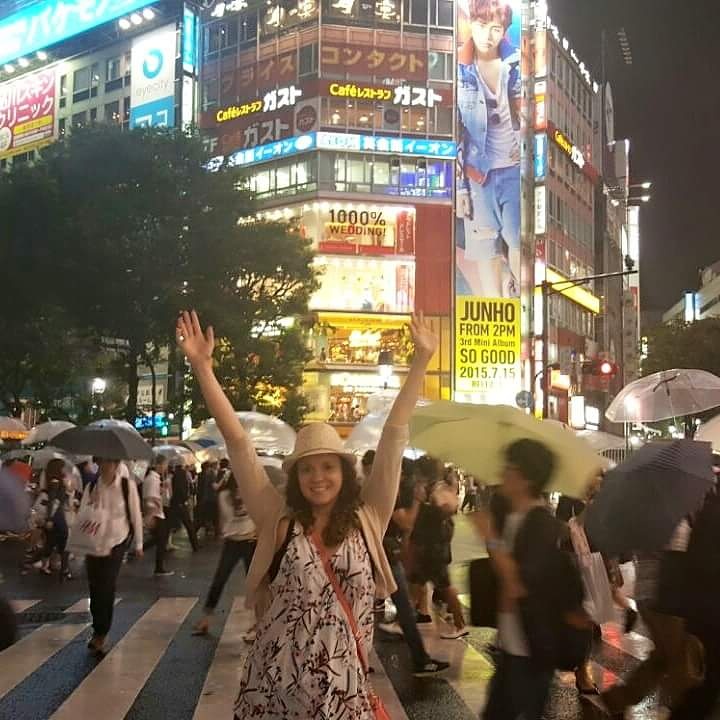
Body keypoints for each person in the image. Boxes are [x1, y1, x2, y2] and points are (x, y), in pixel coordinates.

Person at [176, 309, 436, 717]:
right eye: (307, 469)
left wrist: (420, 360)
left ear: (344, 472)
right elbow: (239, 443)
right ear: (294, 475)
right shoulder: (278, 519)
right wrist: (202, 367)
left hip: (343, 688)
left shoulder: (368, 516)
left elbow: (393, 437)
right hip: (276, 686)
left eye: (328, 466)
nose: (318, 478)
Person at [473, 439, 589, 720]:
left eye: (509, 468)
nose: (502, 474)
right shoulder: (513, 517)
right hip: (513, 648)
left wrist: (490, 537)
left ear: (525, 478)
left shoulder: (541, 525)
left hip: (531, 653)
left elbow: (517, 584)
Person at [456, 0, 521, 299]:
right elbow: (456, 134)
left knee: (518, 241)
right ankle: (496, 314)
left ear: (504, 30)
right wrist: (461, 189)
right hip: (477, 174)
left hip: (514, 169)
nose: (487, 35)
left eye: (496, 28)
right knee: (484, 250)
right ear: (471, 23)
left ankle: (523, 304)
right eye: (481, 26)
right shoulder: (459, 69)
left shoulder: (518, 63)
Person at [377, 458, 450, 676]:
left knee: (404, 608)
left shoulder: (393, 490)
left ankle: (419, 658)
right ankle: (420, 659)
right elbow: (406, 522)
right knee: (405, 609)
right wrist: (417, 500)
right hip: (384, 555)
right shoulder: (384, 492)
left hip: (388, 554)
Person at [78, 458, 143, 656]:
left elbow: (135, 514)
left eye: (110, 462)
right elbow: (83, 513)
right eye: (102, 461)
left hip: (117, 540)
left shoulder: (126, 485)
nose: (105, 465)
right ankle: (97, 627)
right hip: (94, 540)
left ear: (116, 464)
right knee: (94, 585)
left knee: (106, 585)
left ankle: (101, 632)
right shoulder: (91, 486)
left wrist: (138, 543)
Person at [408, 456, 467, 639]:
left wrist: (433, 505)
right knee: (418, 581)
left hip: (435, 548)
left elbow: (450, 506)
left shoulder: (437, 488)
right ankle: (404, 621)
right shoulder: (432, 487)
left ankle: (460, 624)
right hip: (431, 546)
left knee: (443, 585)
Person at [193, 471, 258, 638]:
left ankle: (260, 624)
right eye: (237, 487)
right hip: (232, 542)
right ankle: (207, 617)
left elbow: (259, 516)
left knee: (255, 584)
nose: (239, 491)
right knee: (219, 579)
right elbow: (222, 518)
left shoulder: (253, 494)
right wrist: (223, 532)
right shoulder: (223, 495)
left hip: (251, 542)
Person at [36, 459, 71, 580]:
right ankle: (64, 569)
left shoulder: (56, 481)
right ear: (57, 469)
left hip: (55, 514)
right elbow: (52, 501)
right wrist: (50, 518)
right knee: (65, 539)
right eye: (62, 467)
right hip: (56, 514)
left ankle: (46, 566)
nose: (64, 469)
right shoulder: (55, 482)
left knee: (51, 540)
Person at [142, 455, 173, 576]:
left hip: (157, 513)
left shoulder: (155, 479)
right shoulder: (153, 479)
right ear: (159, 465)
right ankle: (159, 568)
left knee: (159, 539)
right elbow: (149, 499)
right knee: (161, 540)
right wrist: (151, 514)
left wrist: (162, 489)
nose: (166, 467)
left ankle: (139, 550)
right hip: (156, 514)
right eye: (165, 464)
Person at [169, 463, 199, 552]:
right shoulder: (182, 474)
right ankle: (195, 545)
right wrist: (185, 499)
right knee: (189, 525)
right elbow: (182, 488)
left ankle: (164, 543)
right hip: (181, 504)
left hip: (174, 503)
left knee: (168, 526)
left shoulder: (174, 474)